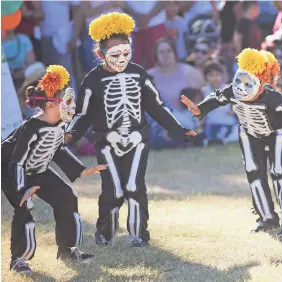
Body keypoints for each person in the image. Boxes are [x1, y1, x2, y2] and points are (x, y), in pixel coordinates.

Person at [65, 13, 197, 248]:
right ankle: (105, 233)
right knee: (114, 189)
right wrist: (72, 134)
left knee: (135, 186)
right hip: (106, 140)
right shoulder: (93, 79)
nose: (122, 59)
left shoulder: (138, 74)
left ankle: (139, 235)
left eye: (127, 53)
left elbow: (156, 107)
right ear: (100, 54)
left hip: (138, 138)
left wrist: (178, 130)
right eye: (115, 54)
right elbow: (83, 114)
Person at [181, 48, 282, 236]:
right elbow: (217, 97)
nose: (241, 87)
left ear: (261, 84)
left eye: (249, 83)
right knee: (253, 172)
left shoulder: (271, 96)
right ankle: (267, 218)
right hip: (249, 132)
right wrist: (200, 109)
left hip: (277, 132)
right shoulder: (232, 90)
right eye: (240, 80)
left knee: (281, 172)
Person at [1, 65, 107, 275]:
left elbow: (57, 149)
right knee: (25, 206)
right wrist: (22, 189)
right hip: (11, 170)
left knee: (67, 196)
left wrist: (80, 170)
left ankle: (67, 250)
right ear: (51, 105)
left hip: (37, 169)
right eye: (67, 101)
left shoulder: (58, 125)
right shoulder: (30, 127)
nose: (72, 106)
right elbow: (17, 161)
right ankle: (18, 260)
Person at [148, 37, 204, 110]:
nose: (165, 55)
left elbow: (203, 98)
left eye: (169, 51)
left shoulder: (191, 72)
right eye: (161, 52)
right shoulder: (148, 76)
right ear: (156, 55)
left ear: (175, 53)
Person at [201, 60, 238, 144]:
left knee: (236, 130)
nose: (215, 78)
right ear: (206, 77)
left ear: (222, 76)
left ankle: (223, 139)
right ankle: (212, 139)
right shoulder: (204, 91)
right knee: (208, 131)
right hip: (212, 121)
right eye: (211, 75)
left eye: (217, 75)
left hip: (227, 121)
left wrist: (233, 110)